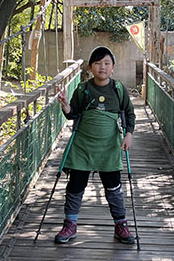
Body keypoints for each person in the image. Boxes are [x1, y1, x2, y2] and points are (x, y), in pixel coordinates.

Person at [54, 45, 136, 244]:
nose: (102, 67)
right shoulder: (82, 89)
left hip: (109, 147)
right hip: (83, 145)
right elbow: (72, 114)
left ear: (113, 67)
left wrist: (129, 135)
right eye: (98, 63)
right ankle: (70, 225)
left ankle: (121, 225)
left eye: (107, 63)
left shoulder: (118, 89)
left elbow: (130, 113)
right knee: (75, 185)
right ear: (90, 67)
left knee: (113, 186)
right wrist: (65, 104)